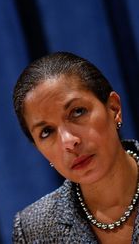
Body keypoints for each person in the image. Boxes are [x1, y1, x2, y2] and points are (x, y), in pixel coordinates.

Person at [12, 52, 139, 243]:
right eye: (46, 132)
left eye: (77, 112)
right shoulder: (33, 230)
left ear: (114, 108)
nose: (68, 141)